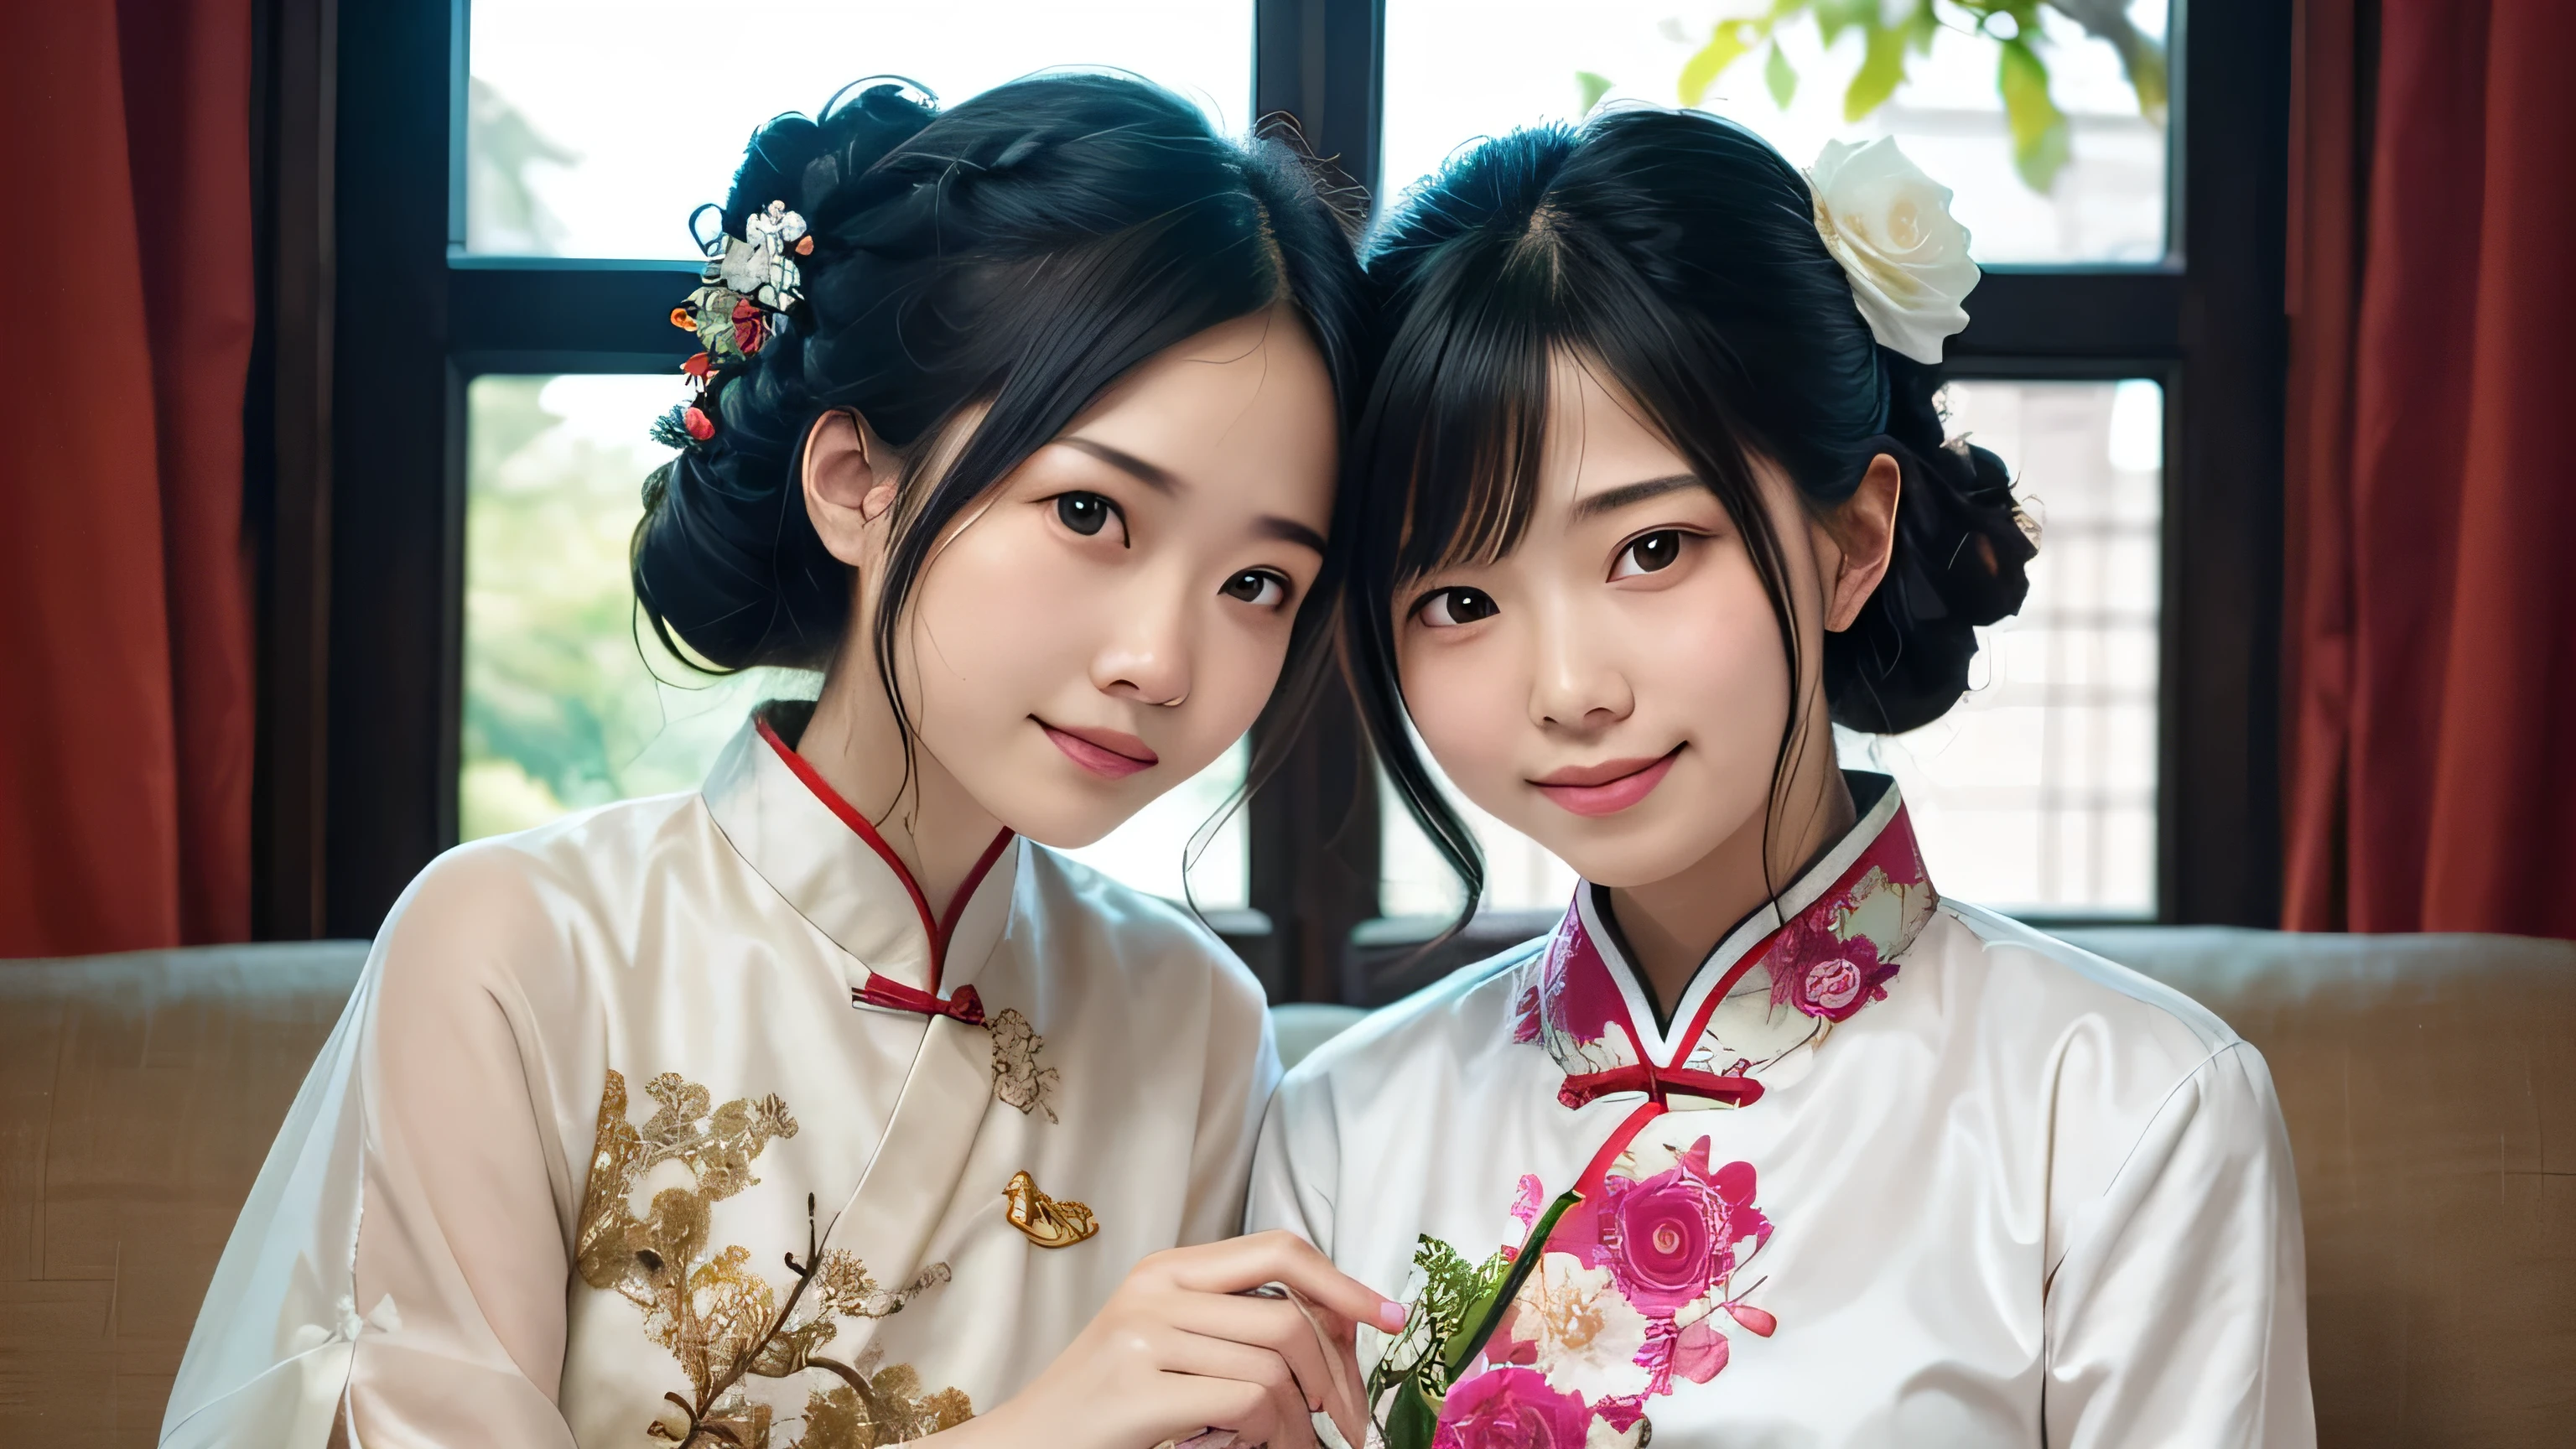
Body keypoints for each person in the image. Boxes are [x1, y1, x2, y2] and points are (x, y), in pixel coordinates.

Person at [164, 74, 1399, 1449]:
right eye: (1091, 510)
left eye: (1260, 584)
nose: (1164, 661)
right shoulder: (519, 949)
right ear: (855, 483)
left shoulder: (1196, 1026)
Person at [1248, 111, 2313, 1447]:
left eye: (1651, 550)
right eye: (1461, 595)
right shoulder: (1343, 1123)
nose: (1570, 689)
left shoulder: (2124, 1106)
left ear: (1851, 542)